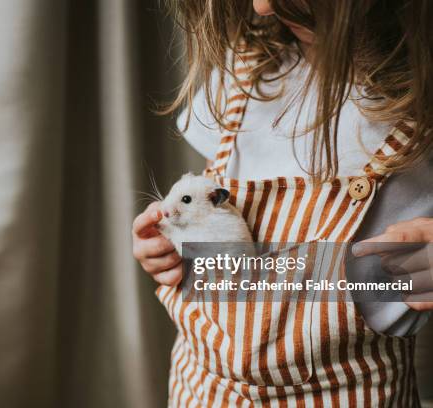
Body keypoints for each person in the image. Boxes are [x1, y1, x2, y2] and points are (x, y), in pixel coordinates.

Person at [132, 0, 433, 405]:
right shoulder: (238, 78)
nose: (261, 5)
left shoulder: (422, 108)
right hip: (203, 389)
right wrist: (169, 247)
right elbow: (208, 204)